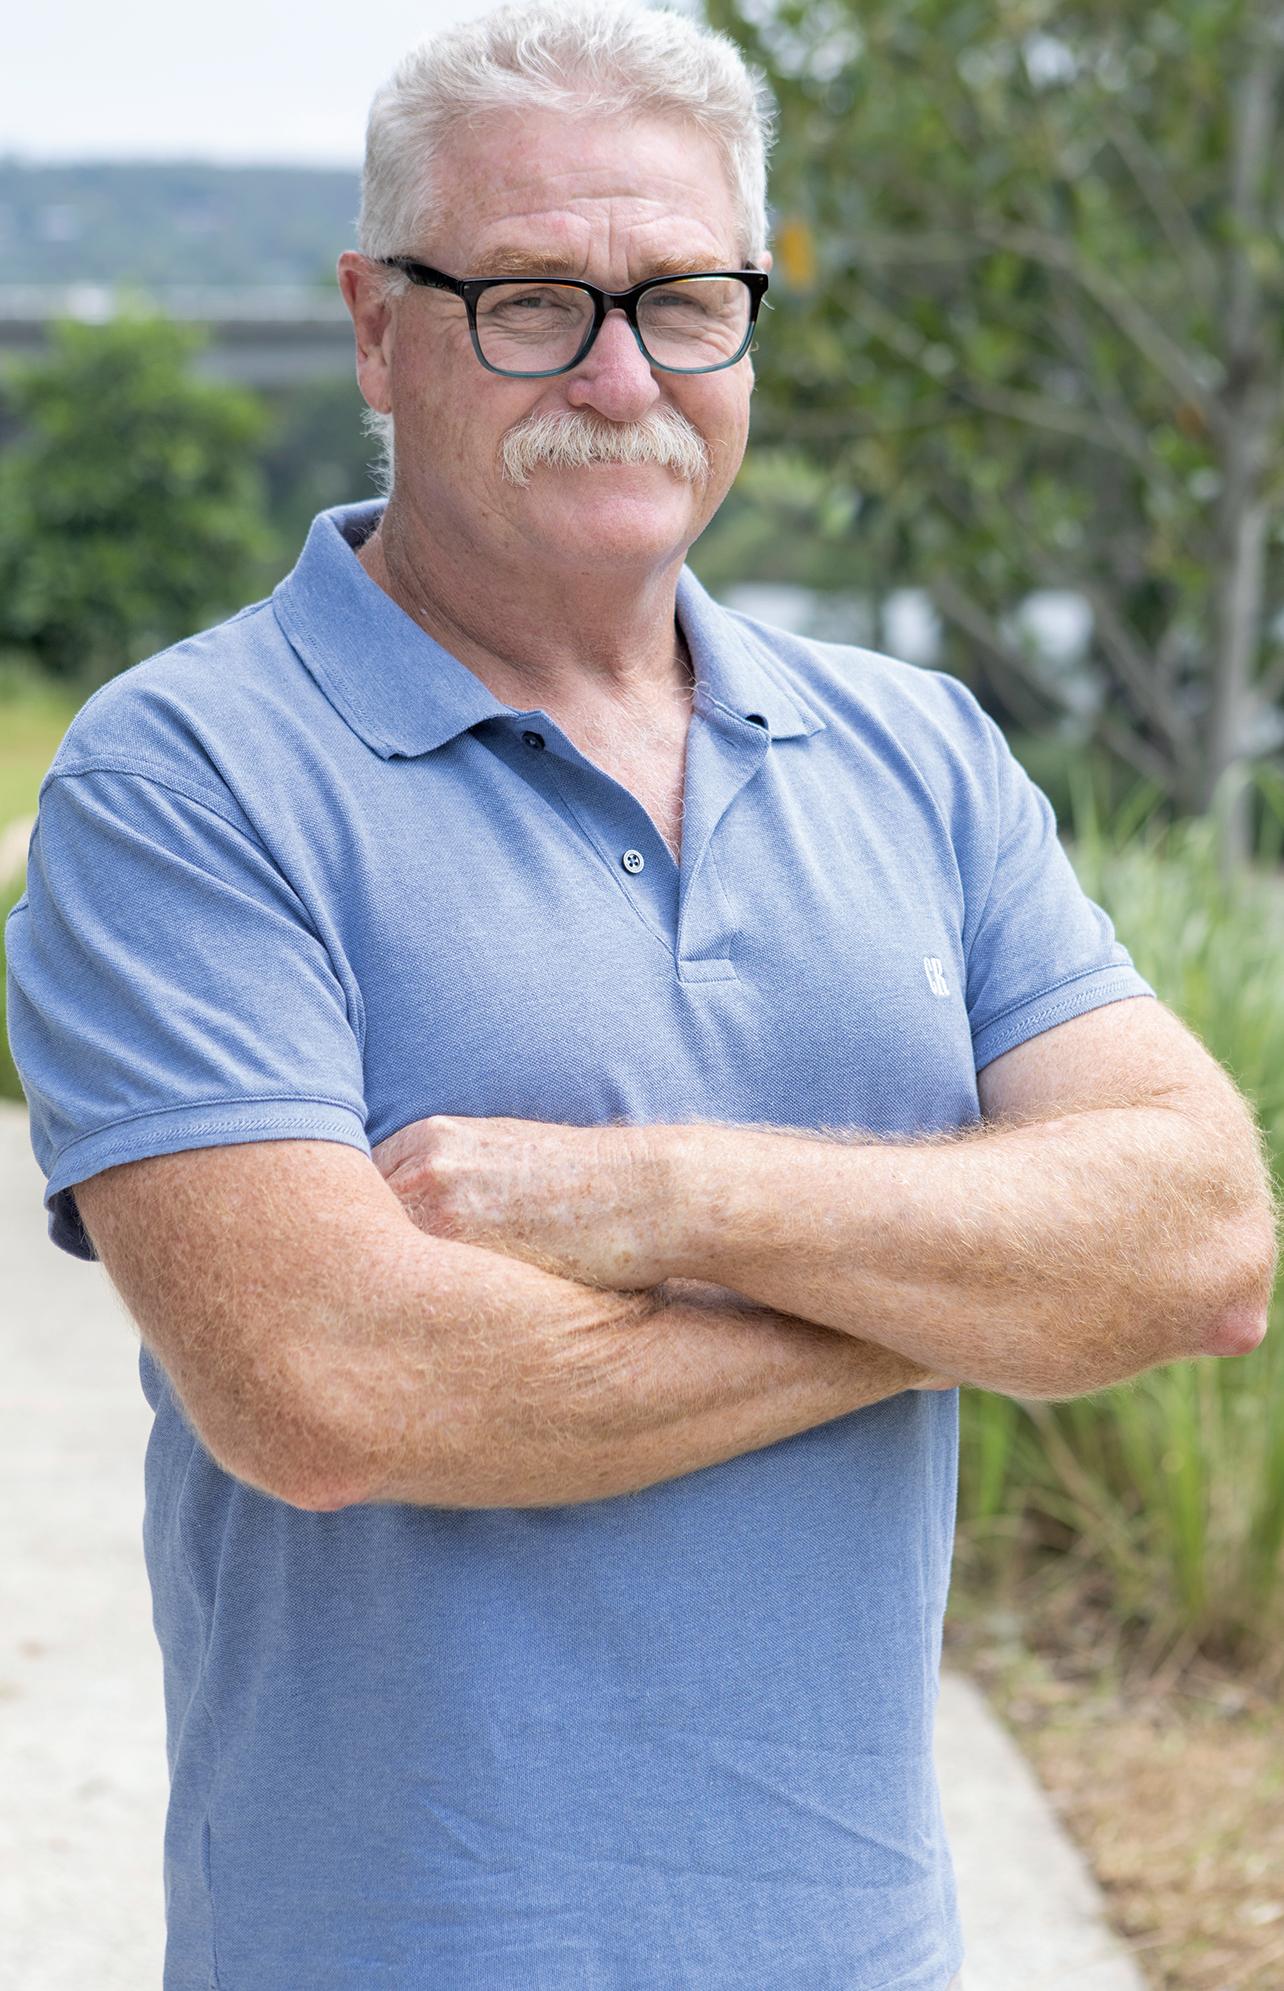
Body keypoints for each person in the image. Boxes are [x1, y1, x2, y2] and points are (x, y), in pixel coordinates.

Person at [4, 3, 1275, 1986]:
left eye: (686, 300)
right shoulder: (186, 780)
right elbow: (332, 1392)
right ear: (375, 325)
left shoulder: (919, 753)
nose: (620, 375)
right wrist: (952, 1310)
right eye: (530, 301)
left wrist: (657, 1201)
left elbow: (1198, 1243)